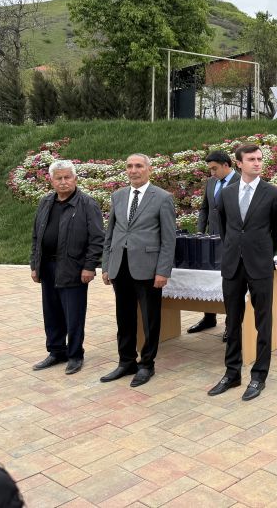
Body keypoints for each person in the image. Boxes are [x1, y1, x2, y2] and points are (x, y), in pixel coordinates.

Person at [208, 144, 277, 401]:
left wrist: (261, 252)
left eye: (259, 159)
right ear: (239, 164)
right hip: (232, 265)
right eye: (251, 159)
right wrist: (235, 249)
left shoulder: (273, 194)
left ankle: (258, 376)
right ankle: (232, 373)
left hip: (259, 265)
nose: (257, 163)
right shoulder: (226, 194)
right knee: (232, 321)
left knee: (263, 322)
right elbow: (224, 229)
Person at [101, 153, 176, 387]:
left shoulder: (162, 198)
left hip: (148, 268)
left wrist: (163, 271)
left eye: (139, 166)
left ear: (149, 169)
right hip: (120, 266)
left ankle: (147, 364)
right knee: (123, 317)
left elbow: (169, 239)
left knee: (150, 319)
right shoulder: (118, 196)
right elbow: (110, 233)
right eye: (129, 166)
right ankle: (126, 361)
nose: (133, 170)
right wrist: (106, 265)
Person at [30, 159, 104, 375]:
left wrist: (89, 266)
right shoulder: (45, 202)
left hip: (74, 268)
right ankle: (56, 351)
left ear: (75, 179)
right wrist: (35, 265)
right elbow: (36, 236)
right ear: (51, 181)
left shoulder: (87, 204)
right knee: (51, 312)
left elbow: (97, 239)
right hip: (48, 267)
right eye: (59, 178)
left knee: (73, 315)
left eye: (67, 177)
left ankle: (75, 355)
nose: (63, 182)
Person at [188, 150, 236, 341]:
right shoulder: (211, 182)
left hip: (231, 240)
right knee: (208, 279)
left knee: (229, 283)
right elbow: (205, 208)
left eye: (215, 169)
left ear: (226, 165)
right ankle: (209, 317)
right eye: (210, 169)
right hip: (211, 238)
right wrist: (200, 232)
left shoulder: (240, 181)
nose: (212, 173)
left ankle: (231, 324)